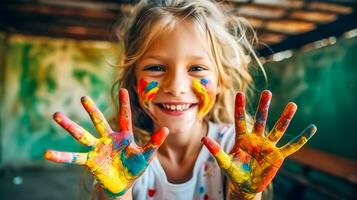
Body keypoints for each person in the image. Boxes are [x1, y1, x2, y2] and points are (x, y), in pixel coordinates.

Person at [44, 0, 317, 199]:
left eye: (197, 69)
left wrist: (245, 194)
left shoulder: (234, 148)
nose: (176, 87)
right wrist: (117, 192)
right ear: (132, 80)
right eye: (156, 68)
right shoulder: (124, 157)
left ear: (221, 82)